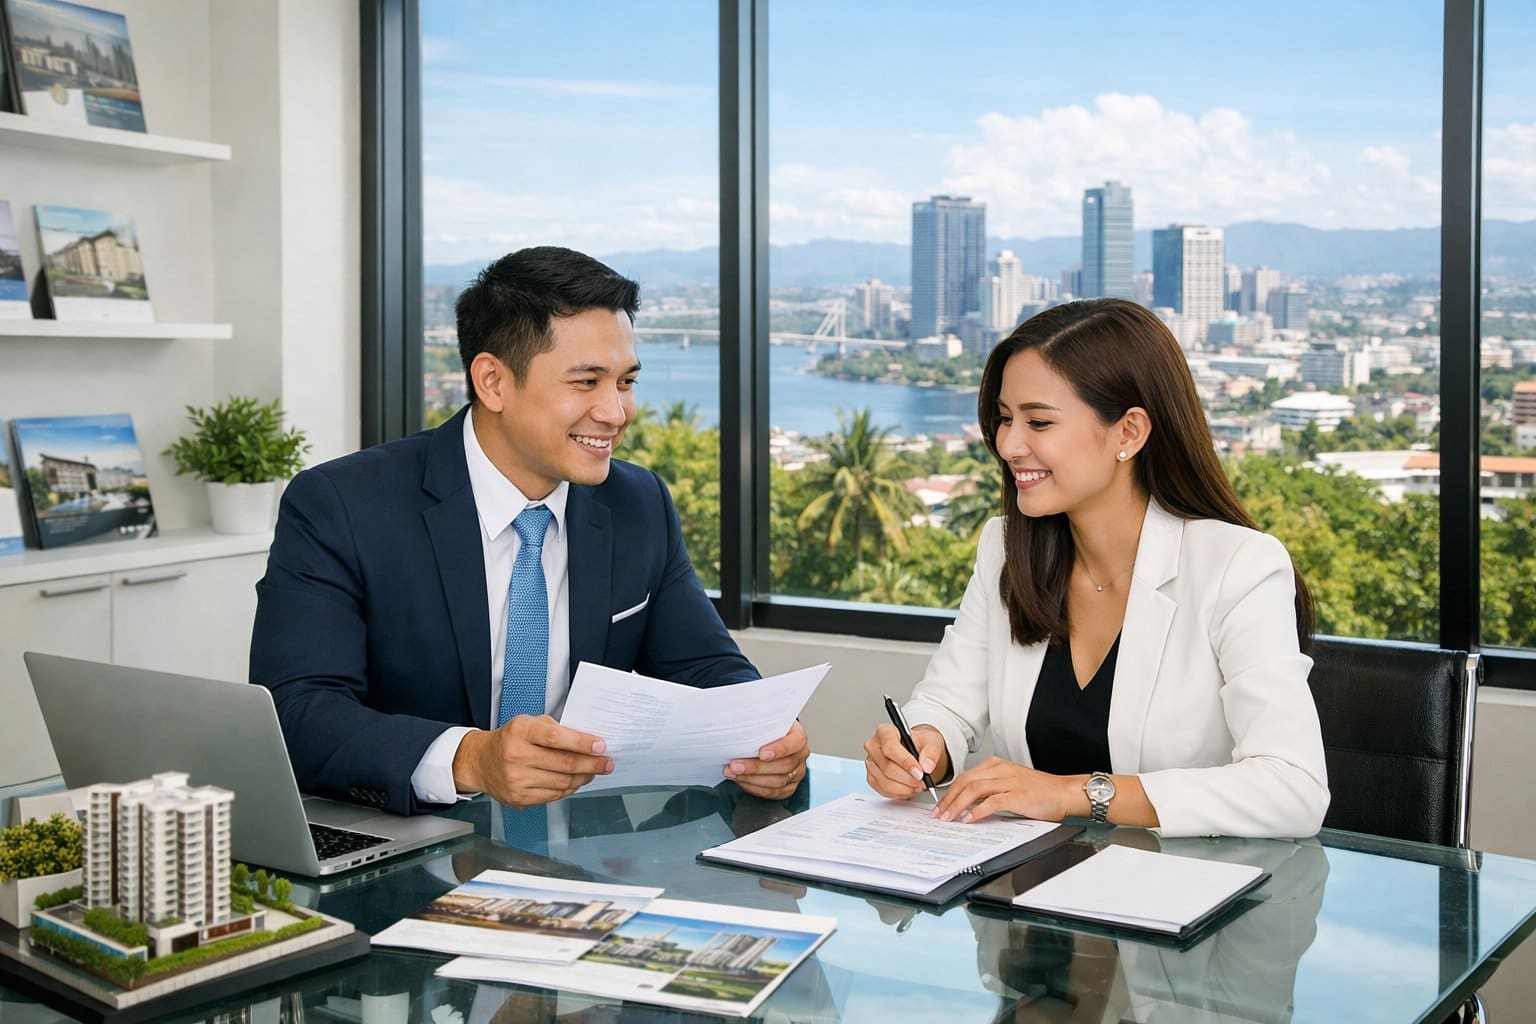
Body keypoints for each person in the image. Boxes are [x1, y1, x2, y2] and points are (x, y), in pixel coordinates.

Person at [251, 245, 807, 816]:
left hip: (590, 855)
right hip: (407, 841)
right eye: (587, 382)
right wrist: (470, 758)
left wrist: (765, 731)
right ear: (492, 381)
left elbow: (703, 665)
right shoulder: (342, 506)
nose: (616, 413)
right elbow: (296, 710)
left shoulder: (639, 503)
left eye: (625, 382)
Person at [863, 298, 1328, 838]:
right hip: (1028, 901)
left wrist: (1070, 793)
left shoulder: (1238, 568)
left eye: (1038, 421)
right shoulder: (1006, 549)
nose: (1009, 444)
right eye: (1005, 418)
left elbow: (1293, 788)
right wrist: (925, 743)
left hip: (1177, 901)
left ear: (1129, 433)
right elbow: (950, 703)